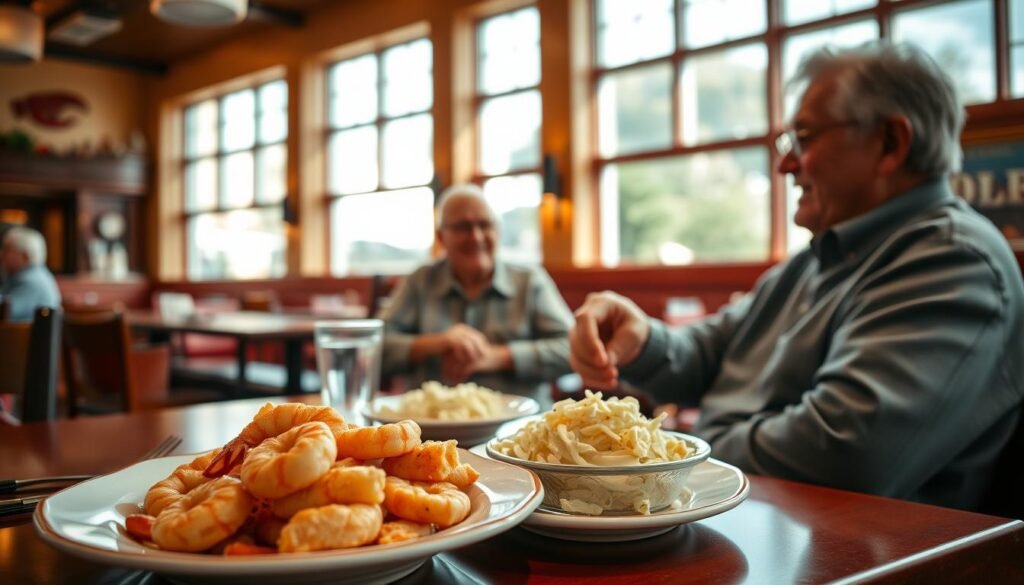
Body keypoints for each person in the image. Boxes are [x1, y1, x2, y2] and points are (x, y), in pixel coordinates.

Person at [569, 42, 1024, 511]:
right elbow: (712, 347)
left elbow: (840, 452)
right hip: (767, 520)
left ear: (891, 143)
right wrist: (642, 339)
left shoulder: (952, 261)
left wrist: (678, 445)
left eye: (803, 139)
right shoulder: (817, 258)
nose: (785, 164)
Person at [380, 184, 574, 404]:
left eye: (485, 225)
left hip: (522, 428)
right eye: (463, 227)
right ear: (441, 237)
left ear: (498, 231)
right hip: (432, 430)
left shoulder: (529, 281)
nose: (476, 236)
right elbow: (375, 346)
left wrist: (497, 357)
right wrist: (437, 343)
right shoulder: (420, 281)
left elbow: (573, 348)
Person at [0, 226, 61, 322]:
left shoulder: (32, 280)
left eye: (7, 249)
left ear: (25, 256)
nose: (1, 254)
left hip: (23, 337)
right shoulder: (27, 275)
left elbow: (4, 311)